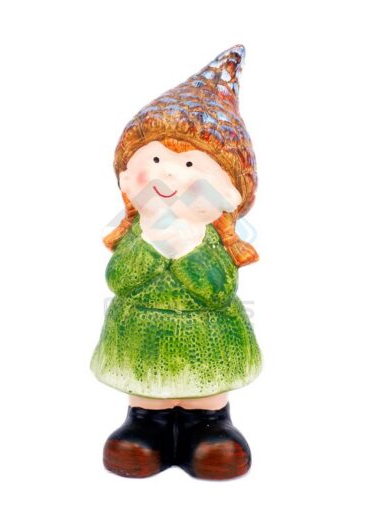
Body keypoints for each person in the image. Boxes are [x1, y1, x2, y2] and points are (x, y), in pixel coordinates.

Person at [90, 44, 262, 480]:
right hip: (142, 337)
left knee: (206, 394)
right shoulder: (138, 233)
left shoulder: (209, 240)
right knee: (148, 391)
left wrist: (184, 251)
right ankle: (145, 425)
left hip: (207, 339)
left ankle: (210, 426)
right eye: (154, 159)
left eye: (189, 164)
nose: (168, 175)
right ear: (127, 175)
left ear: (229, 194)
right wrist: (152, 246)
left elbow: (217, 288)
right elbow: (120, 278)